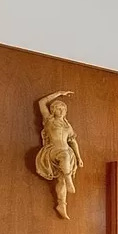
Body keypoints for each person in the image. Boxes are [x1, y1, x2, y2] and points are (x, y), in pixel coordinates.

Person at [34, 91, 82, 219]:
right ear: (53, 110)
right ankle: (69, 178)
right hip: (53, 150)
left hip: (67, 151)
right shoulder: (49, 120)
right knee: (64, 156)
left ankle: (62, 204)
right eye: (58, 109)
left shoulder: (67, 125)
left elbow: (73, 141)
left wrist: (78, 157)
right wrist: (59, 93)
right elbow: (41, 102)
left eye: (63, 109)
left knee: (61, 180)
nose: (61, 111)